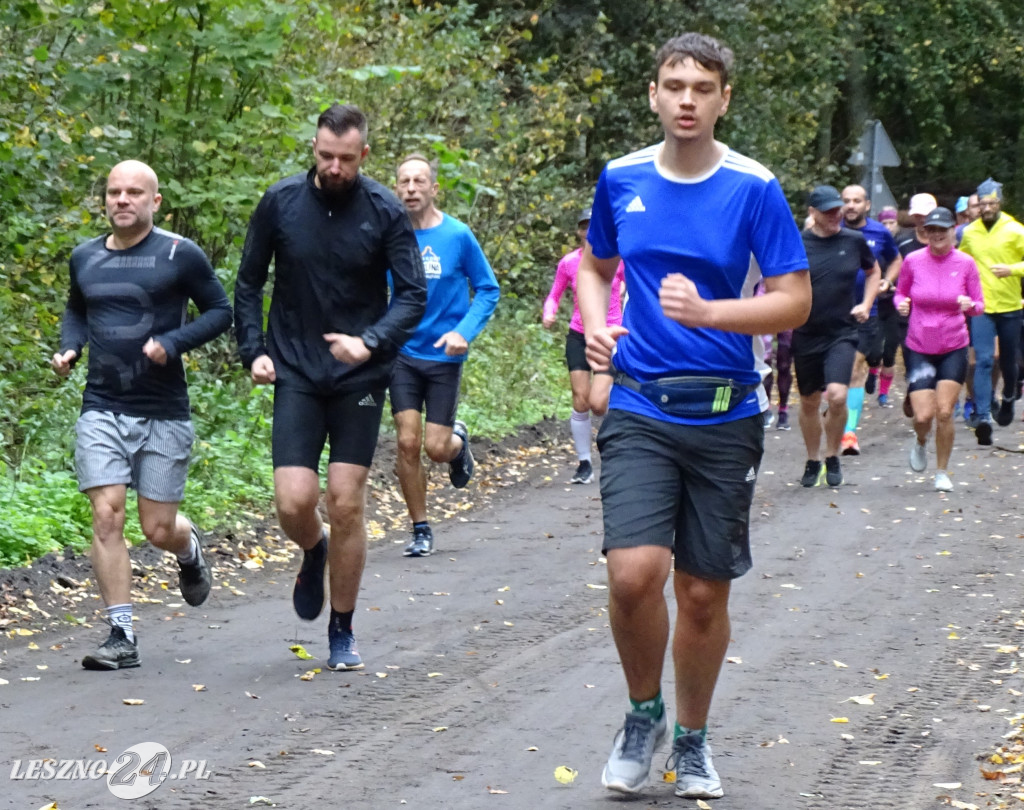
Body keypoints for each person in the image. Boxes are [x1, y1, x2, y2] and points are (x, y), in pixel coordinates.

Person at [577, 33, 810, 799]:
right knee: (633, 574)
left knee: (704, 594)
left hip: (725, 412)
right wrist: (597, 324)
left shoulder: (754, 187)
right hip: (642, 401)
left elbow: (793, 298)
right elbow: (593, 266)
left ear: (723, 99)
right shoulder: (622, 177)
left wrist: (711, 312)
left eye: (702, 87)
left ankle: (695, 740)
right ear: (653, 94)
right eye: (673, 84)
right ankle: (643, 714)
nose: (686, 99)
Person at [234, 104, 427, 671]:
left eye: (346, 158)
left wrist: (370, 340)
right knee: (295, 502)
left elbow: (413, 296)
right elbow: (248, 283)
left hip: (359, 375)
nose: (335, 167)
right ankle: (313, 548)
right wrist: (254, 352)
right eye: (326, 156)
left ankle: (341, 629)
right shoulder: (280, 202)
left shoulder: (385, 210)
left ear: (364, 155)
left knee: (345, 500)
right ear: (313, 149)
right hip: (294, 367)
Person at [52, 160, 231, 670]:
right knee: (106, 514)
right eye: (114, 192)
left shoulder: (180, 254)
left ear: (155, 202)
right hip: (102, 406)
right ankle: (121, 634)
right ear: (104, 200)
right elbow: (77, 310)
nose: (122, 200)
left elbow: (221, 312)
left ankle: (188, 547)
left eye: (134, 192)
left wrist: (173, 343)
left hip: (163, 411)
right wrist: (71, 348)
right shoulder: (84, 257)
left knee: (157, 528)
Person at [390, 153, 499, 557]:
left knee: (435, 448)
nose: (412, 188)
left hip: (443, 356)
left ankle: (458, 442)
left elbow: (488, 289)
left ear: (434, 188)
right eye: (404, 182)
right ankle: (420, 528)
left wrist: (463, 332)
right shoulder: (391, 236)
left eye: (420, 181)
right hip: (402, 353)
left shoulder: (458, 236)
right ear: (397, 188)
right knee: (406, 442)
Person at [794, 184, 878, 487]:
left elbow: (873, 271)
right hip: (806, 332)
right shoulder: (797, 242)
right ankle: (812, 458)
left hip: (841, 332)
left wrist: (867, 303)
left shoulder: (854, 241)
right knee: (809, 402)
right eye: (828, 211)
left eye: (837, 210)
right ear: (812, 213)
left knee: (838, 395)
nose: (835, 215)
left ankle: (832, 455)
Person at [894, 207, 984, 490]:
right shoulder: (913, 260)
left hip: (953, 345)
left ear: (953, 231)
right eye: (931, 230)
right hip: (919, 345)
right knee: (923, 415)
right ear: (925, 232)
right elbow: (900, 293)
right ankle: (921, 441)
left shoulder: (966, 263)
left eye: (942, 230)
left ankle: (942, 472)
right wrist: (901, 304)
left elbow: (980, 305)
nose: (936, 235)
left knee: (944, 411)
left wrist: (970, 306)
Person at [542, 208, 626, 483]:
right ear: (578, 231)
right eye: (584, 226)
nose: (589, 230)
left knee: (598, 403)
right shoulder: (569, 262)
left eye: (594, 224)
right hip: (579, 333)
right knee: (581, 400)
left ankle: (619, 445)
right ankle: (584, 463)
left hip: (610, 332)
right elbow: (554, 295)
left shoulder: (619, 259)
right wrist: (549, 312)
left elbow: (636, 288)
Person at [959, 177, 1024, 444]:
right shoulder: (970, 232)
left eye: (992, 203)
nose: (987, 208)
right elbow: (961, 262)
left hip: (1010, 305)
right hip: (981, 307)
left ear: (1000, 202)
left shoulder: (1015, 230)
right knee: (984, 360)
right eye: (982, 203)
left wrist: (1013, 270)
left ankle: (1008, 395)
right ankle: (983, 416)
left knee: (1008, 361)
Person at [839, 184, 901, 454]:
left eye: (856, 201)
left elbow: (896, 259)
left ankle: (848, 433)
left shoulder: (879, 232)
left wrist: (887, 280)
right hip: (831, 313)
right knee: (834, 378)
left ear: (866, 205)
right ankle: (838, 414)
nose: (851, 205)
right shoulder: (830, 229)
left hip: (867, 311)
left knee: (854, 369)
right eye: (846, 201)